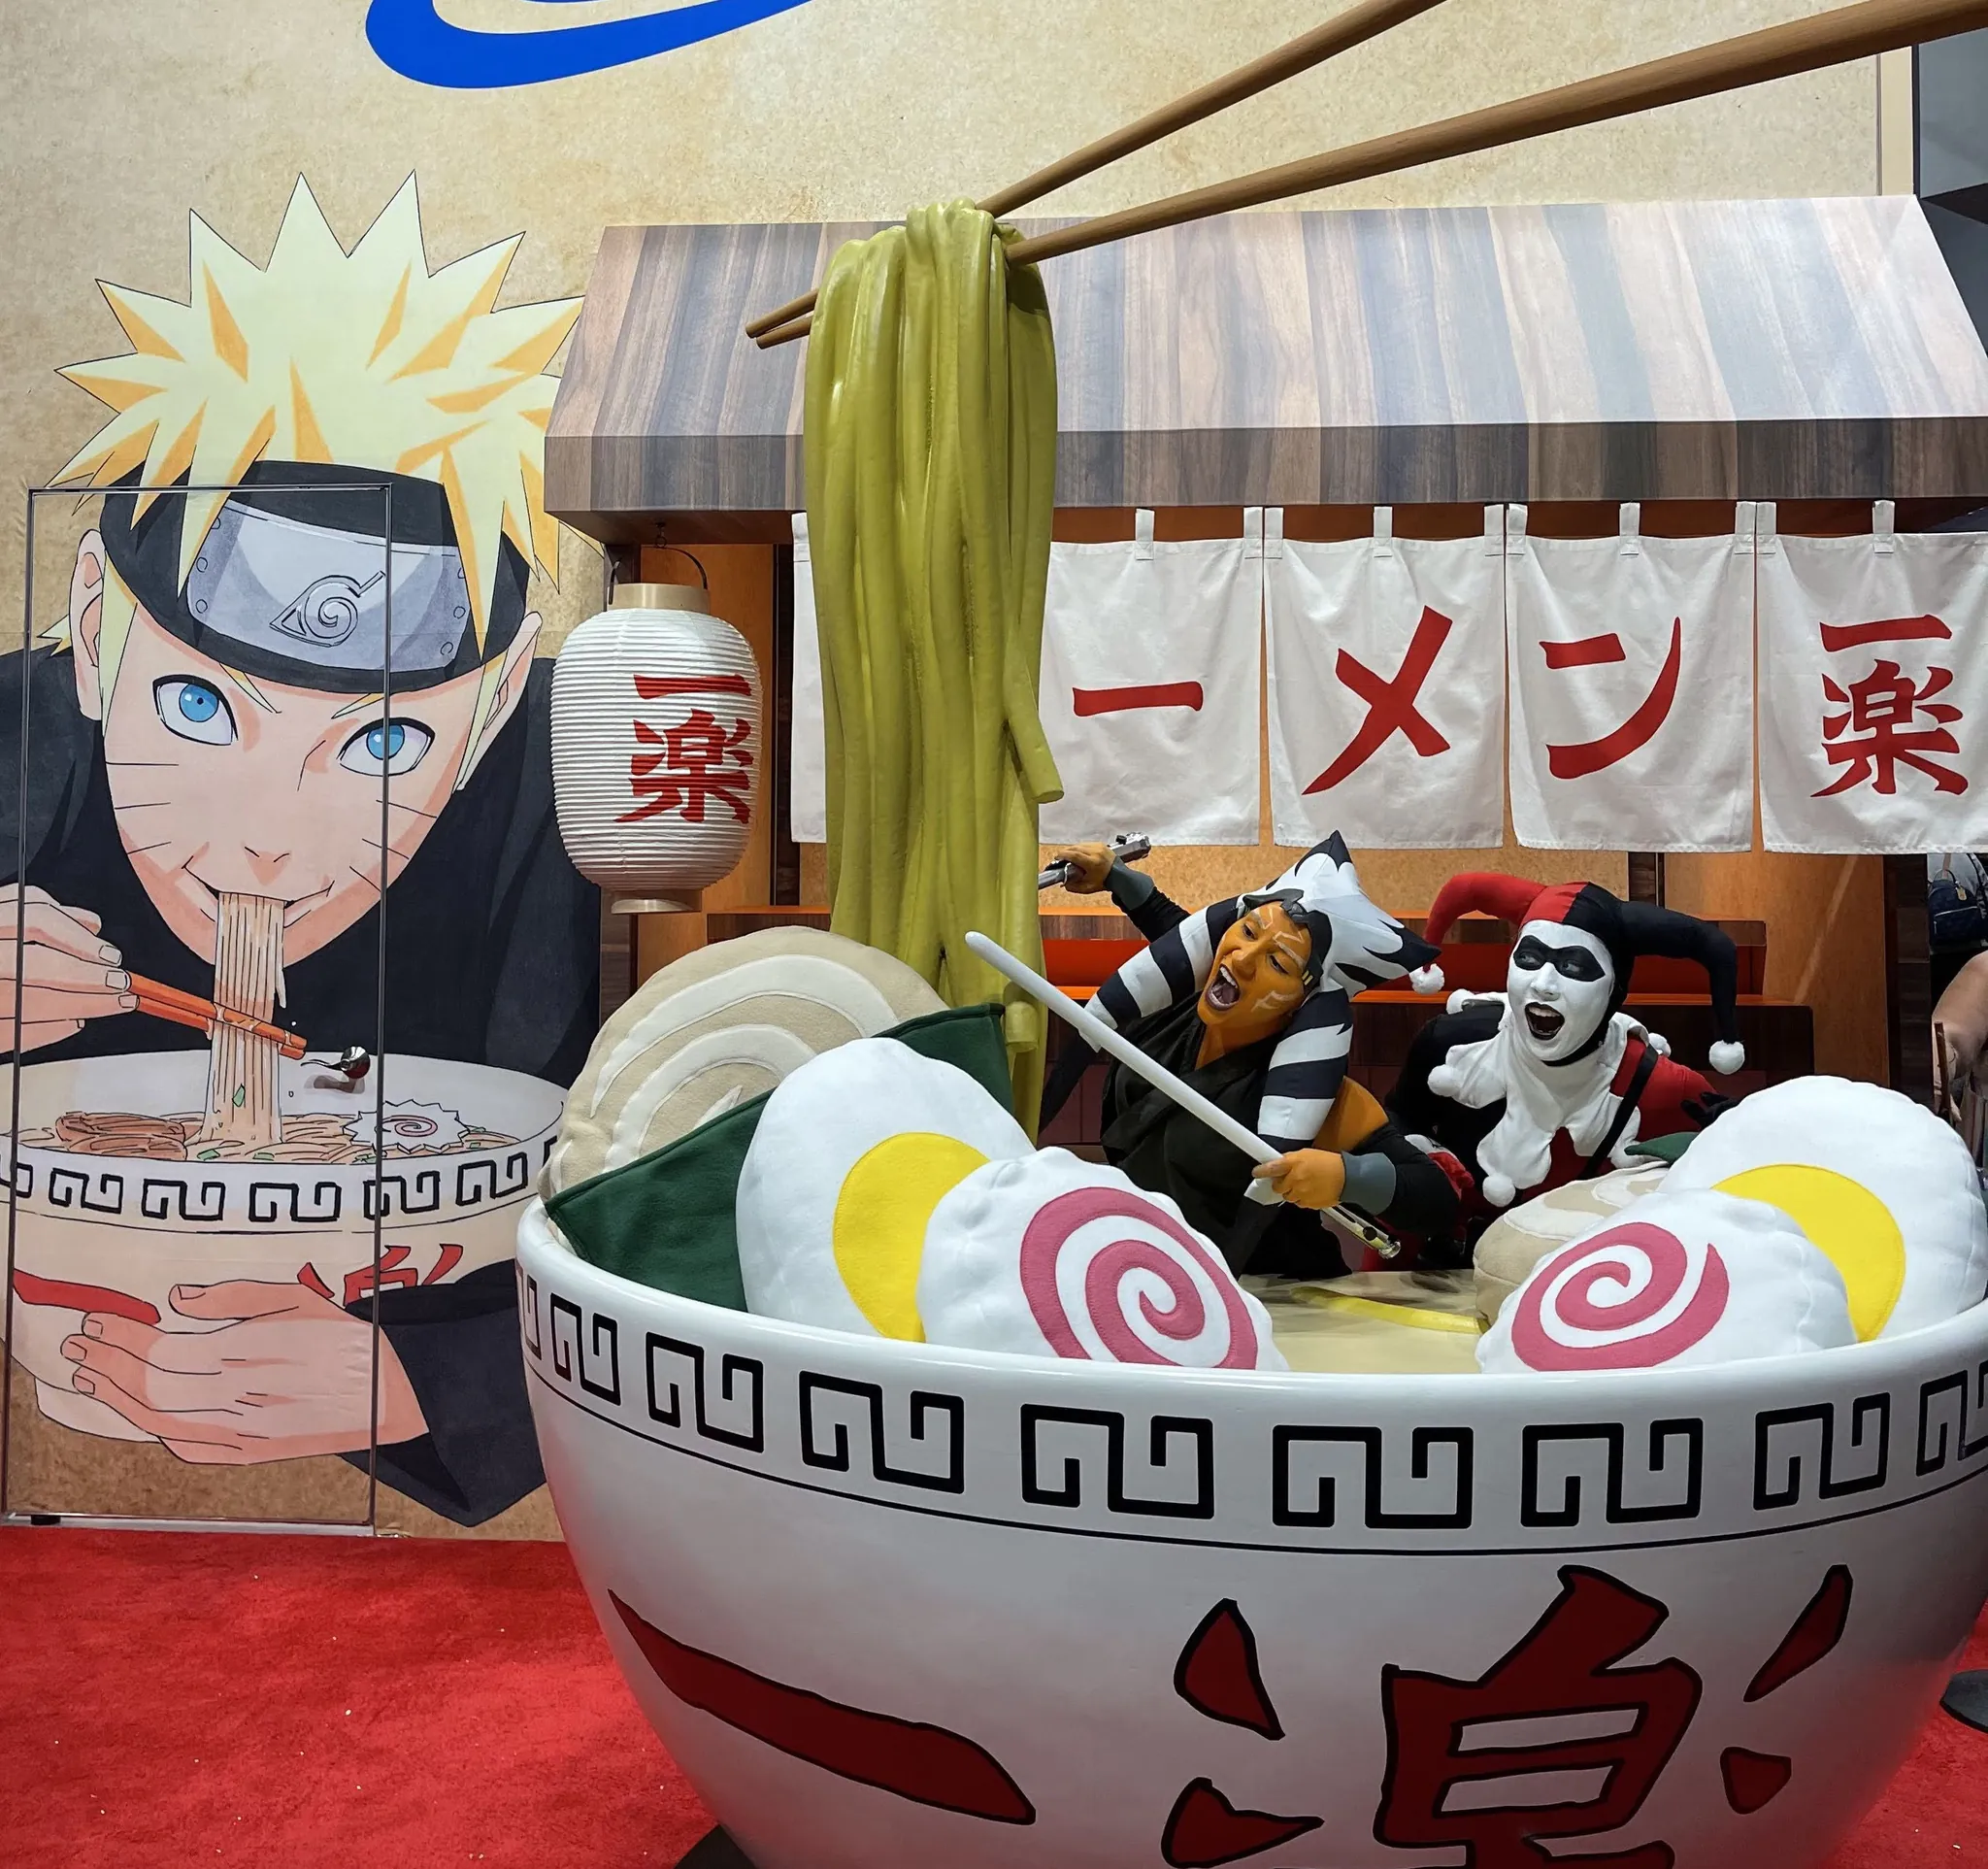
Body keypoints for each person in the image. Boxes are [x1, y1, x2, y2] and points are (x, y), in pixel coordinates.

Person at [7, 177, 598, 1523]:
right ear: (96, 626)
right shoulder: (11, 744)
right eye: (199, 707)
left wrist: (441, 1382)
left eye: (385, 747)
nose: (269, 841)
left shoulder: (570, 791)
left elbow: (707, 1175)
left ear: (498, 697)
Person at [1040, 835, 1462, 1274]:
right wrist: (1118, 877)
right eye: (1247, 932)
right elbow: (1180, 933)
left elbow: (1436, 1201)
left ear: (1305, 998)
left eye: (1278, 964)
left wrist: (1346, 1176)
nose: (1242, 960)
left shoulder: (1321, 1100)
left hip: (1272, 1295)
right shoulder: (1173, 1006)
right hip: (1142, 1265)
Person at [1389, 872, 1740, 1231]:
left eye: (1573, 966)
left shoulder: (1660, 1084)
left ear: (1613, 993)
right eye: (1528, 957)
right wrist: (1423, 1162)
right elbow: (1393, 1124)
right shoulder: (1455, 1044)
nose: (1543, 984)